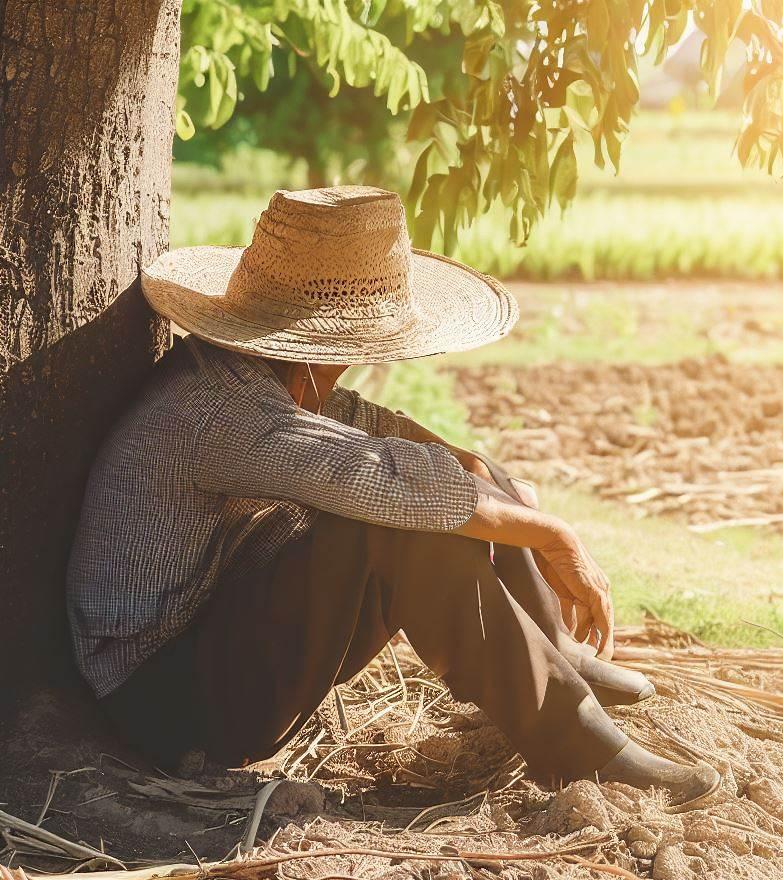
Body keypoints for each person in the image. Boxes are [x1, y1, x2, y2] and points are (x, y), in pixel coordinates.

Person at [66, 185, 720, 803]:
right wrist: (554, 534)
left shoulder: (252, 375)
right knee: (401, 525)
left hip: (214, 635)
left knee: (457, 478)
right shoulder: (221, 413)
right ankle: (574, 744)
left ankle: (554, 650)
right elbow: (374, 476)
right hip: (167, 697)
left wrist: (485, 475)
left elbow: (362, 427)